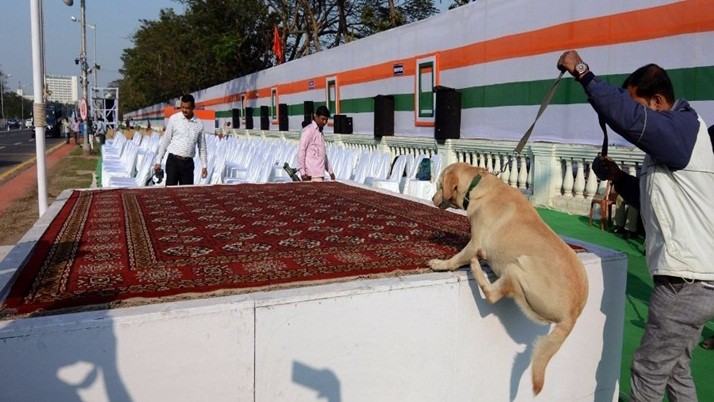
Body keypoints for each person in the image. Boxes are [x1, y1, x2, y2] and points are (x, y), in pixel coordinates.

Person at [558, 50, 714, 401]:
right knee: (676, 371)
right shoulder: (678, 141)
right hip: (700, 282)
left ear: (658, 101)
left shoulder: (682, 128)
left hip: (683, 285)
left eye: (641, 107)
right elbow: (651, 200)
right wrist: (618, 177)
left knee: (647, 374)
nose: (637, 120)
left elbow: (626, 118)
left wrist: (583, 73)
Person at [154, 94, 208, 186]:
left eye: (187, 108)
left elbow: (202, 147)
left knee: (187, 194)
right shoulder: (174, 119)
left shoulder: (199, 124)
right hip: (173, 162)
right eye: (182, 107)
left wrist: (204, 166)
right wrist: (158, 161)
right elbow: (165, 140)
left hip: (188, 164)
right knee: (171, 193)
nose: (184, 110)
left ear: (193, 107)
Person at [298, 105, 335, 182]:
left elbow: (322, 154)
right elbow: (302, 151)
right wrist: (302, 172)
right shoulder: (308, 130)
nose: (324, 122)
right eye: (323, 119)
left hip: (320, 174)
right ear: (316, 117)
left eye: (326, 119)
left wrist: (330, 171)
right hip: (310, 175)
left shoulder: (320, 132)